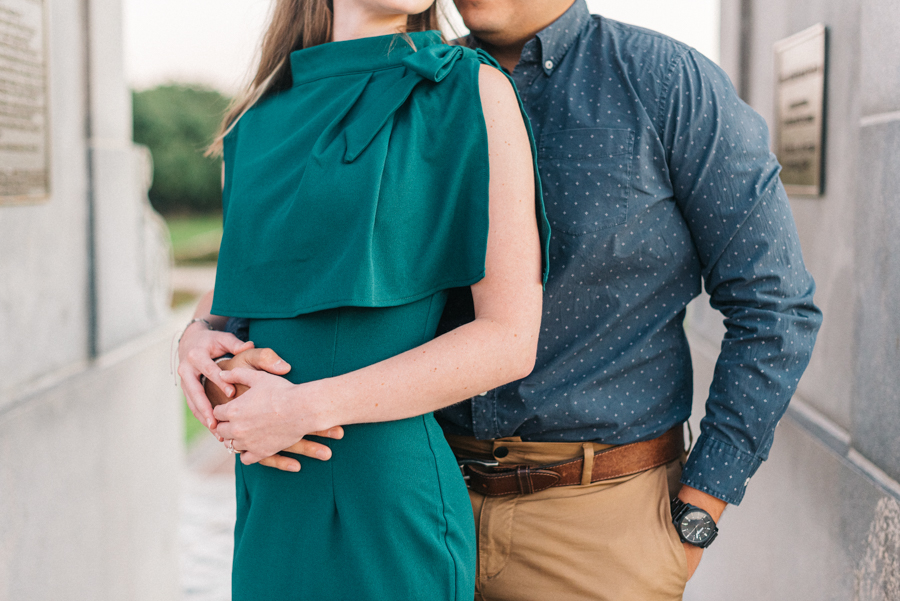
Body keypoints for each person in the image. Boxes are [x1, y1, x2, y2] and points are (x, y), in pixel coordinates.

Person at [428, 1, 822, 600]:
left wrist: (698, 513)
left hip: (601, 534)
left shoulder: (668, 83)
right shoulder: (418, 85)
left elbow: (776, 305)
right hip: (421, 512)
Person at [176, 0, 550, 598]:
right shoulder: (254, 119)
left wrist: (304, 408)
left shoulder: (470, 89)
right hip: (272, 491)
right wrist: (196, 340)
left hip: (386, 495)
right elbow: (239, 291)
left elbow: (508, 340)